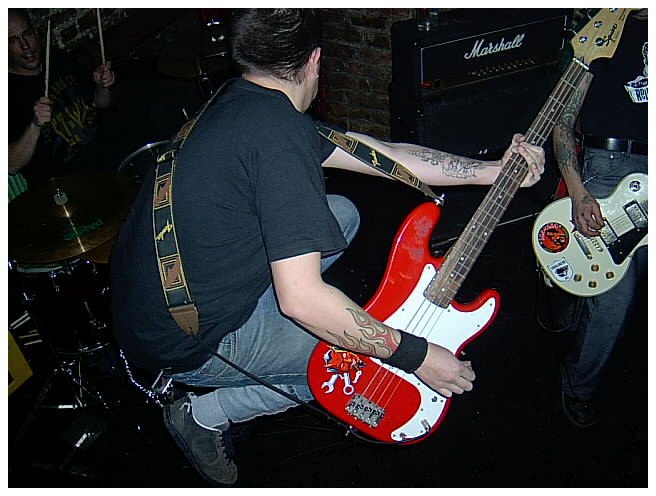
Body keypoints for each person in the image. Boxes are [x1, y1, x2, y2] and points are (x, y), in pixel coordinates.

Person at [110, 9, 546, 486]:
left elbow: (382, 154)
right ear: (316, 60)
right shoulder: (280, 142)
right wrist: (417, 355)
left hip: (152, 296)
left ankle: (288, 306)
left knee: (340, 213)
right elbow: (302, 301)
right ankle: (202, 415)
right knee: (345, 367)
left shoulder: (244, 99)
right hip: (185, 337)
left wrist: (490, 171)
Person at [551, 9, 647, 428]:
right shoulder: (605, 28)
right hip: (608, 165)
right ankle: (579, 386)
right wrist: (577, 191)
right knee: (614, 300)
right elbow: (562, 121)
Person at [8, 8, 116, 186]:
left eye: (27, 34)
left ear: (35, 32)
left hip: (103, 155)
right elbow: (11, 165)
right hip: (64, 184)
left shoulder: (57, 59)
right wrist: (35, 125)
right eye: (13, 40)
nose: (25, 46)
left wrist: (102, 85)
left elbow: (101, 103)